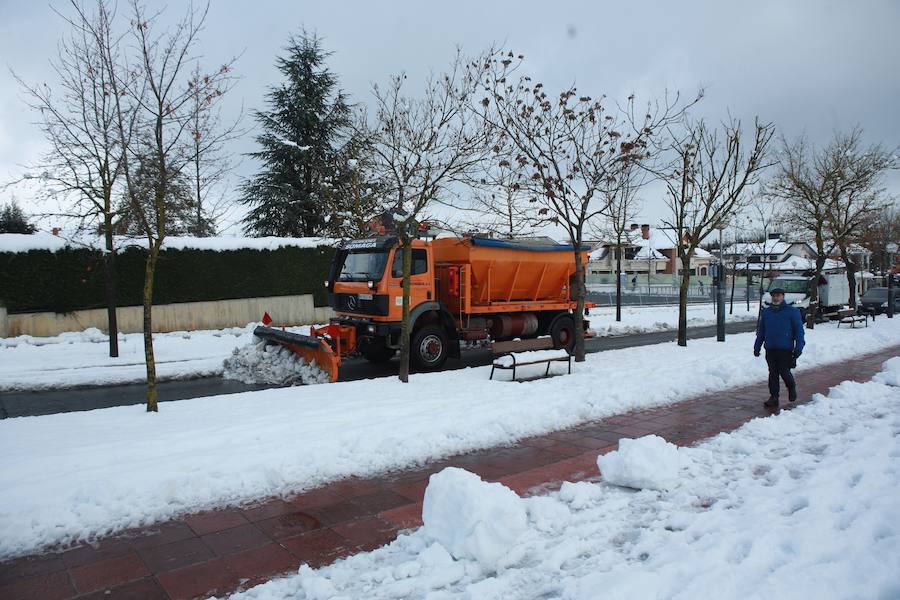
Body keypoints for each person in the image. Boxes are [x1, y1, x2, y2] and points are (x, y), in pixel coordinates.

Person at [753, 288, 805, 408]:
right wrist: (757, 347)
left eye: (778, 296)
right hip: (770, 348)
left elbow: (799, 331)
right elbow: (761, 331)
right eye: (774, 296)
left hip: (785, 348)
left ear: (783, 296)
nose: (776, 298)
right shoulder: (767, 312)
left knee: (783, 371)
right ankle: (774, 397)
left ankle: (791, 386)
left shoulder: (792, 312)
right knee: (773, 373)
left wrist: (798, 348)